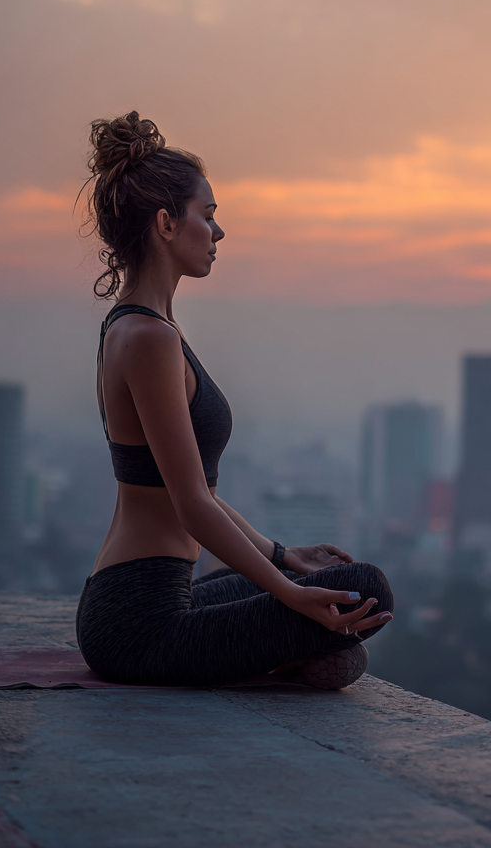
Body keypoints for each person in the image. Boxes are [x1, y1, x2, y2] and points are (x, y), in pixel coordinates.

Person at [75, 111, 393, 689]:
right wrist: (291, 594)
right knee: (365, 590)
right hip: (138, 623)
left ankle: (291, 651)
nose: (218, 234)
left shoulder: (146, 328)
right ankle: (290, 652)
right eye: (209, 216)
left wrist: (283, 556)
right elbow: (192, 503)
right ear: (167, 223)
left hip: (163, 593)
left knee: (342, 576)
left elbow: (203, 496)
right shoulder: (147, 337)